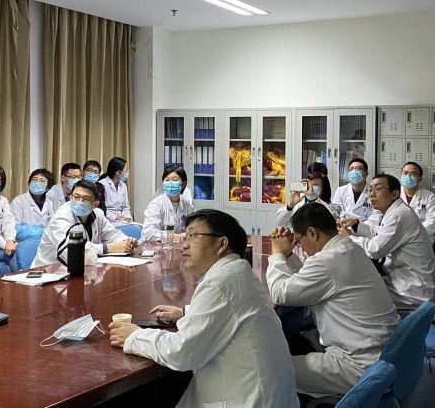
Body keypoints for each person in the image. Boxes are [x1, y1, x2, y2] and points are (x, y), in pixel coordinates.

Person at [108, 209, 299, 408]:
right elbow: (231, 311)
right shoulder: (237, 271)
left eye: (193, 236)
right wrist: (187, 313)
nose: (184, 244)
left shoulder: (220, 283)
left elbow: (182, 353)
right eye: (185, 237)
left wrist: (134, 336)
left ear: (222, 244)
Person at [266, 203, 399, 398]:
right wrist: (289, 255)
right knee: (298, 341)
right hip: (380, 354)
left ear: (312, 233)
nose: (301, 247)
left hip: (357, 365)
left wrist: (277, 255)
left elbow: (280, 293)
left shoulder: (327, 261)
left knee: (271, 369)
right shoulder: (348, 248)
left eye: (299, 241)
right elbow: (309, 278)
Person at [338, 174, 435, 312]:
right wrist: (356, 225)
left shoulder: (399, 215)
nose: (372, 194)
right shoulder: (396, 211)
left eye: (378, 189)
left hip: (413, 291)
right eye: (370, 190)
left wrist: (349, 238)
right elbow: (382, 235)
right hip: (406, 280)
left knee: (351, 297)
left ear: (394, 194)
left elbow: (375, 250)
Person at [32, 180, 137, 267]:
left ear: (95, 204)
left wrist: (126, 242)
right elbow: (74, 253)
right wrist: (108, 248)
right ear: (70, 197)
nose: (80, 201)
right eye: (76, 196)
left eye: (86, 199)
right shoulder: (62, 218)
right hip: (49, 272)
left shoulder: (98, 215)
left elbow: (112, 235)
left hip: (84, 271)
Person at [11, 169, 55, 269]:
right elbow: (15, 228)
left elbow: (52, 226)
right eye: (34, 180)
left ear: (48, 188)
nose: (37, 183)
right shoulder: (19, 201)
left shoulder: (49, 203)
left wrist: (46, 233)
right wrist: (42, 232)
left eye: (42, 181)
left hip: (44, 246)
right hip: (23, 245)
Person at [141, 166, 195, 242]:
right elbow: (149, 233)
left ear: (183, 184)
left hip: (177, 245)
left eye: (175, 180)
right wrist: (175, 236)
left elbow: (195, 225)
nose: (170, 183)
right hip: (154, 245)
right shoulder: (156, 204)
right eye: (167, 180)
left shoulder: (187, 205)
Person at [399, 161, 435, 245]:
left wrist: (410, 235)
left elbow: (432, 223)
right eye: (405, 173)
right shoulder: (393, 194)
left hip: (421, 238)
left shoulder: (430, 197)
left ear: (420, 178)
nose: (408, 177)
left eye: (413, 174)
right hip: (397, 237)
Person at [99, 157, 132, 224]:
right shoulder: (102, 184)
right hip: (107, 220)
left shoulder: (123, 185)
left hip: (122, 219)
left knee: (139, 228)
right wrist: (114, 217)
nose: (127, 172)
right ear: (118, 172)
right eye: (126, 170)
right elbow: (100, 209)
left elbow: (125, 207)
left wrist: (127, 217)